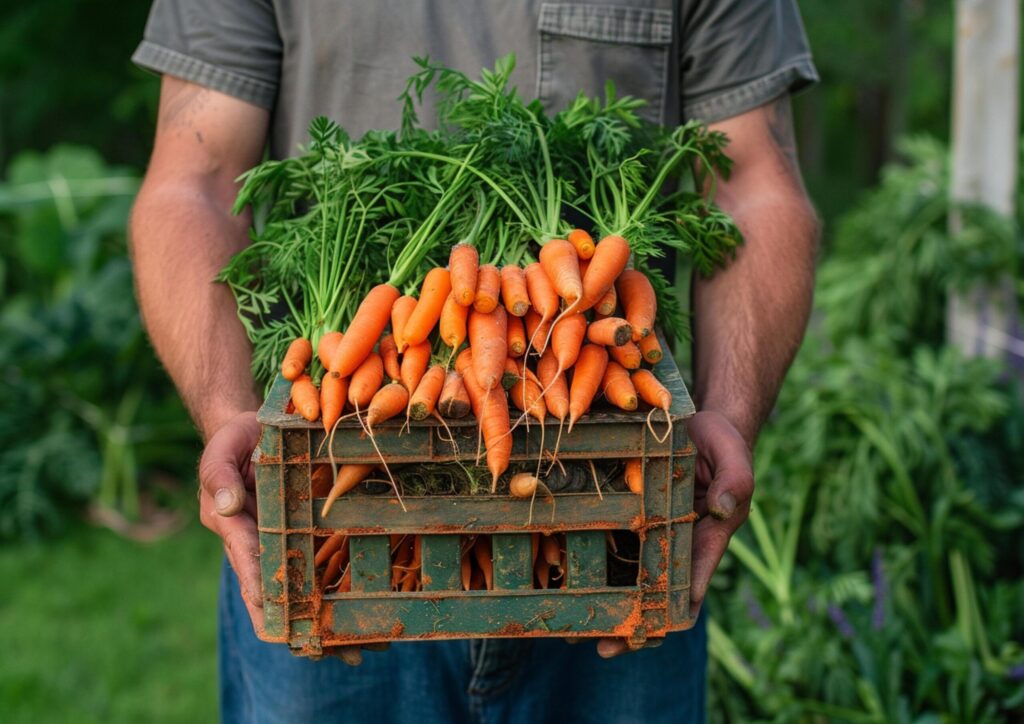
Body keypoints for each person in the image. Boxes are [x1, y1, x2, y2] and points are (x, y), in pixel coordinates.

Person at [129, 2, 819, 721]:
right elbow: (196, 183)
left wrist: (729, 415)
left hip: (616, 521)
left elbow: (752, 189)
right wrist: (225, 413)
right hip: (333, 534)